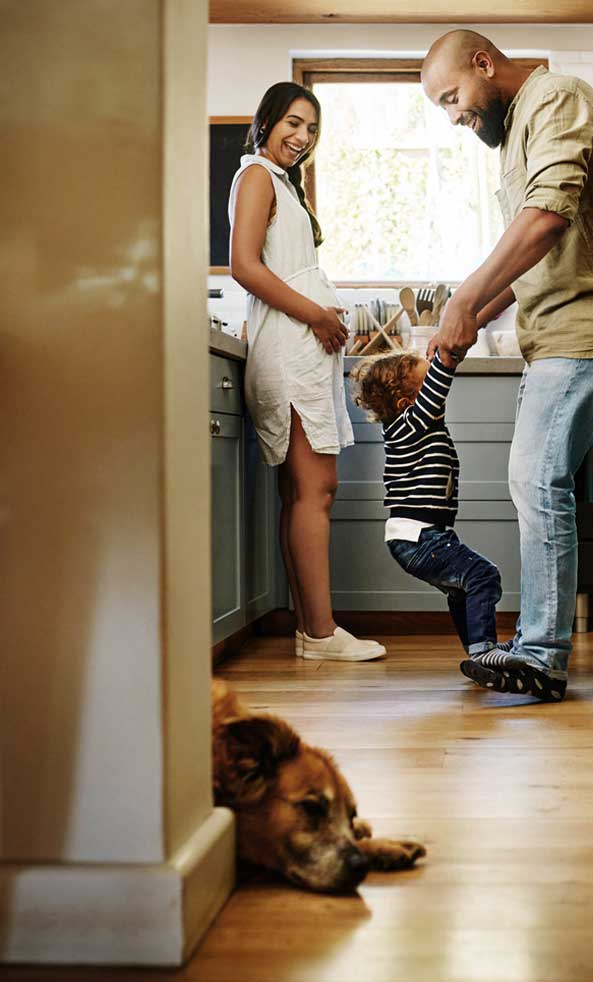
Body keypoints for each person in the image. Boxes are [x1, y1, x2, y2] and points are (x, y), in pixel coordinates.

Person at [420, 32, 593, 701]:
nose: (455, 116)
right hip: (555, 334)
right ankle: (538, 650)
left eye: (453, 98)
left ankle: (543, 656)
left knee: (534, 478)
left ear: (484, 65)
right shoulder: (519, 126)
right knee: (535, 481)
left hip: (592, 329)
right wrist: (470, 320)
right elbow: (533, 254)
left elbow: (548, 217)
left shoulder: (556, 97)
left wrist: (466, 297)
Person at [229, 81, 384, 662]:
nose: (302, 137)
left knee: (301, 491)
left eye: (312, 129)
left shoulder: (281, 185)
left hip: (298, 349)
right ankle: (320, 633)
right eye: (293, 123)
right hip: (291, 351)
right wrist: (317, 314)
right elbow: (244, 265)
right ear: (266, 121)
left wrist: (323, 314)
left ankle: (311, 631)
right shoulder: (257, 177)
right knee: (316, 489)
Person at [350, 351, 506, 671]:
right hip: (420, 537)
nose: (437, 401)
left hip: (423, 535)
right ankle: (484, 650)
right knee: (482, 575)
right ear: (408, 405)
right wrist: (446, 358)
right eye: (426, 390)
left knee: (461, 589)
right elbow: (438, 388)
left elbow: (432, 394)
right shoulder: (408, 425)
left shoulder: (414, 429)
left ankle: (479, 652)